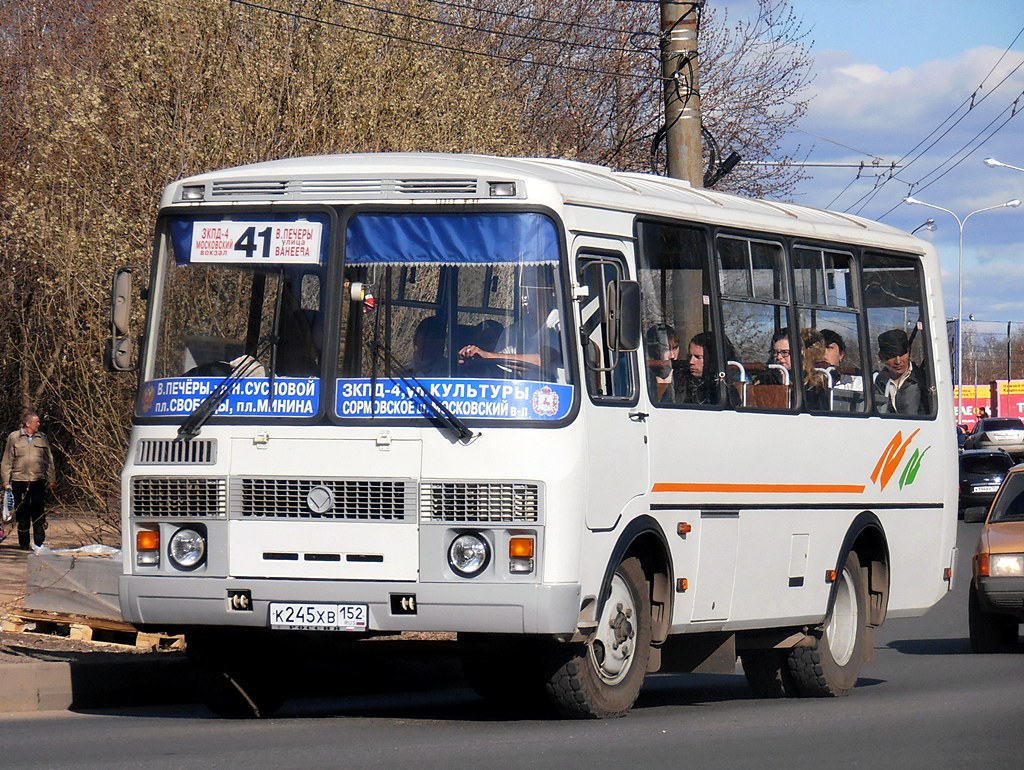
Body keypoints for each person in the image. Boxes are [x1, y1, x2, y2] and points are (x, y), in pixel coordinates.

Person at [458, 282, 562, 378]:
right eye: (522, 290)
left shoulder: (557, 322)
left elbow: (542, 360)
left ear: (549, 290)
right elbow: (500, 365)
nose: (525, 297)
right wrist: (474, 361)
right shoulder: (514, 331)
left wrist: (488, 355)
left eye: (530, 289)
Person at [1, 410, 56, 550]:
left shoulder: (42, 438)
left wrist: (51, 479)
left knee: (38, 512)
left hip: (38, 480)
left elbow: (49, 460)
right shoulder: (14, 437)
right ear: (28, 423)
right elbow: (7, 460)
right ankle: (24, 544)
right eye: (36, 421)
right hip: (19, 481)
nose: (39, 424)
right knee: (22, 513)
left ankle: (39, 543)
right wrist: (5, 480)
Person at [674, 331, 739, 406]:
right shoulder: (680, 381)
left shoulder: (726, 387)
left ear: (712, 359)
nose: (691, 361)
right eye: (690, 356)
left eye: (698, 357)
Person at [874, 329, 929, 415]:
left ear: (909, 352)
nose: (898, 361)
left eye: (902, 354)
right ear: (882, 357)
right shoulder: (877, 383)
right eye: (891, 356)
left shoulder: (924, 381)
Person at [820, 329, 864, 411]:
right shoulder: (805, 381)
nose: (824, 352)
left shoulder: (856, 383)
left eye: (829, 347)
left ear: (841, 354)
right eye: (819, 348)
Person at [645, 324, 680, 403]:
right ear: (654, 351)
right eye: (665, 349)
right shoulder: (645, 377)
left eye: (675, 348)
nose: (672, 356)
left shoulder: (682, 376)